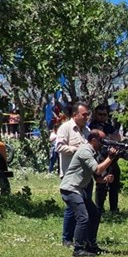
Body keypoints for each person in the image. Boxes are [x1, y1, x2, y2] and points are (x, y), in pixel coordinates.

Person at [59, 129, 117, 257]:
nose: (104, 144)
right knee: (83, 217)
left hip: (79, 189)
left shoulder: (93, 153)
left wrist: (105, 179)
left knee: (95, 213)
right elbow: (97, 170)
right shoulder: (85, 151)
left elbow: (97, 178)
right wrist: (110, 158)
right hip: (70, 189)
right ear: (94, 140)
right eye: (102, 141)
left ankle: (90, 244)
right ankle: (78, 249)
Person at [56, 102, 91, 246]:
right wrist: (76, 149)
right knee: (72, 208)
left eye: (87, 114)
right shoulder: (65, 128)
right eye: (84, 114)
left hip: (85, 176)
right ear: (75, 115)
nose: (86, 117)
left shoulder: (87, 130)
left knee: (86, 206)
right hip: (70, 175)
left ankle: (83, 237)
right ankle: (67, 238)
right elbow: (59, 146)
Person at [89, 104, 122, 213]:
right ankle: (99, 208)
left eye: (105, 114)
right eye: (100, 114)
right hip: (100, 158)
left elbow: (118, 137)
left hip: (112, 157)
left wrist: (107, 137)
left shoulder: (109, 126)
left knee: (114, 182)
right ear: (95, 114)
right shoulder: (92, 125)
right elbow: (97, 136)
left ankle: (114, 208)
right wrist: (108, 137)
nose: (102, 117)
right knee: (101, 184)